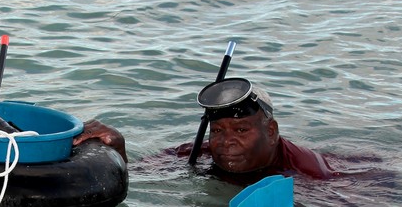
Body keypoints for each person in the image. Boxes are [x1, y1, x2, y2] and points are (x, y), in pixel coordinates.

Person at [73, 77, 339, 181]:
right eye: (218, 131)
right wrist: (117, 148)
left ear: (271, 132)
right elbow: (140, 175)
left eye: (241, 131)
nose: (226, 142)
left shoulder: (308, 171)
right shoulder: (199, 153)